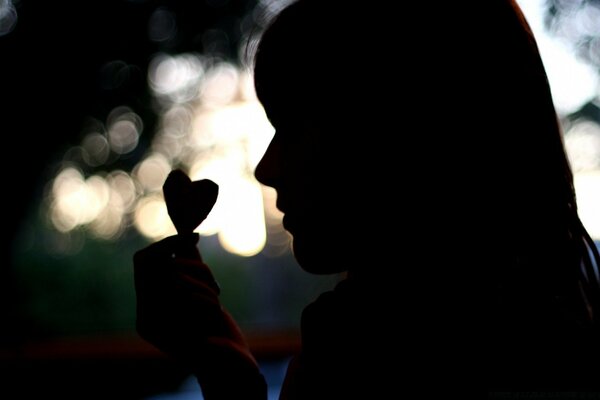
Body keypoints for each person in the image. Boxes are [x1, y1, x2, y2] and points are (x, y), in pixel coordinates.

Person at [133, 0, 600, 397]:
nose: (266, 169)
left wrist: (224, 368)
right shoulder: (556, 323)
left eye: (292, 128)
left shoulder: (360, 357)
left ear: (392, 133)